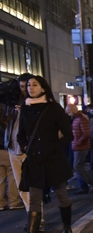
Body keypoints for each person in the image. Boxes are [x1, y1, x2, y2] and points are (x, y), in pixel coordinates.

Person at [15, 75, 75, 233]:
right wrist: (24, 146)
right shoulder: (25, 109)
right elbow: (21, 134)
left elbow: (68, 135)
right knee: (34, 198)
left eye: (34, 85)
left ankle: (67, 227)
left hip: (53, 159)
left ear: (43, 88)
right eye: (28, 85)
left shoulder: (53, 108)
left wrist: (53, 147)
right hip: (34, 160)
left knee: (61, 195)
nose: (30, 88)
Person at [3, 73, 31, 215]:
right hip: (12, 147)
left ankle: (37, 219)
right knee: (21, 187)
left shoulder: (33, 104)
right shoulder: (13, 103)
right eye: (21, 86)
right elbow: (6, 123)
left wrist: (25, 111)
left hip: (27, 149)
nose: (24, 89)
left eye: (26, 86)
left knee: (33, 187)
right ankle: (32, 216)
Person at [67, 103, 93, 194]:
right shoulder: (78, 118)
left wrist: (78, 142)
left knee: (77, 166)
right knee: (79, 167)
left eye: (69, 112)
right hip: (78, 145)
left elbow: (86, 133)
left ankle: (92, 183)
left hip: (81, 146)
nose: (69, 115)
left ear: (72, 111)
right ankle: (84, 186)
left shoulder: (81, 118)